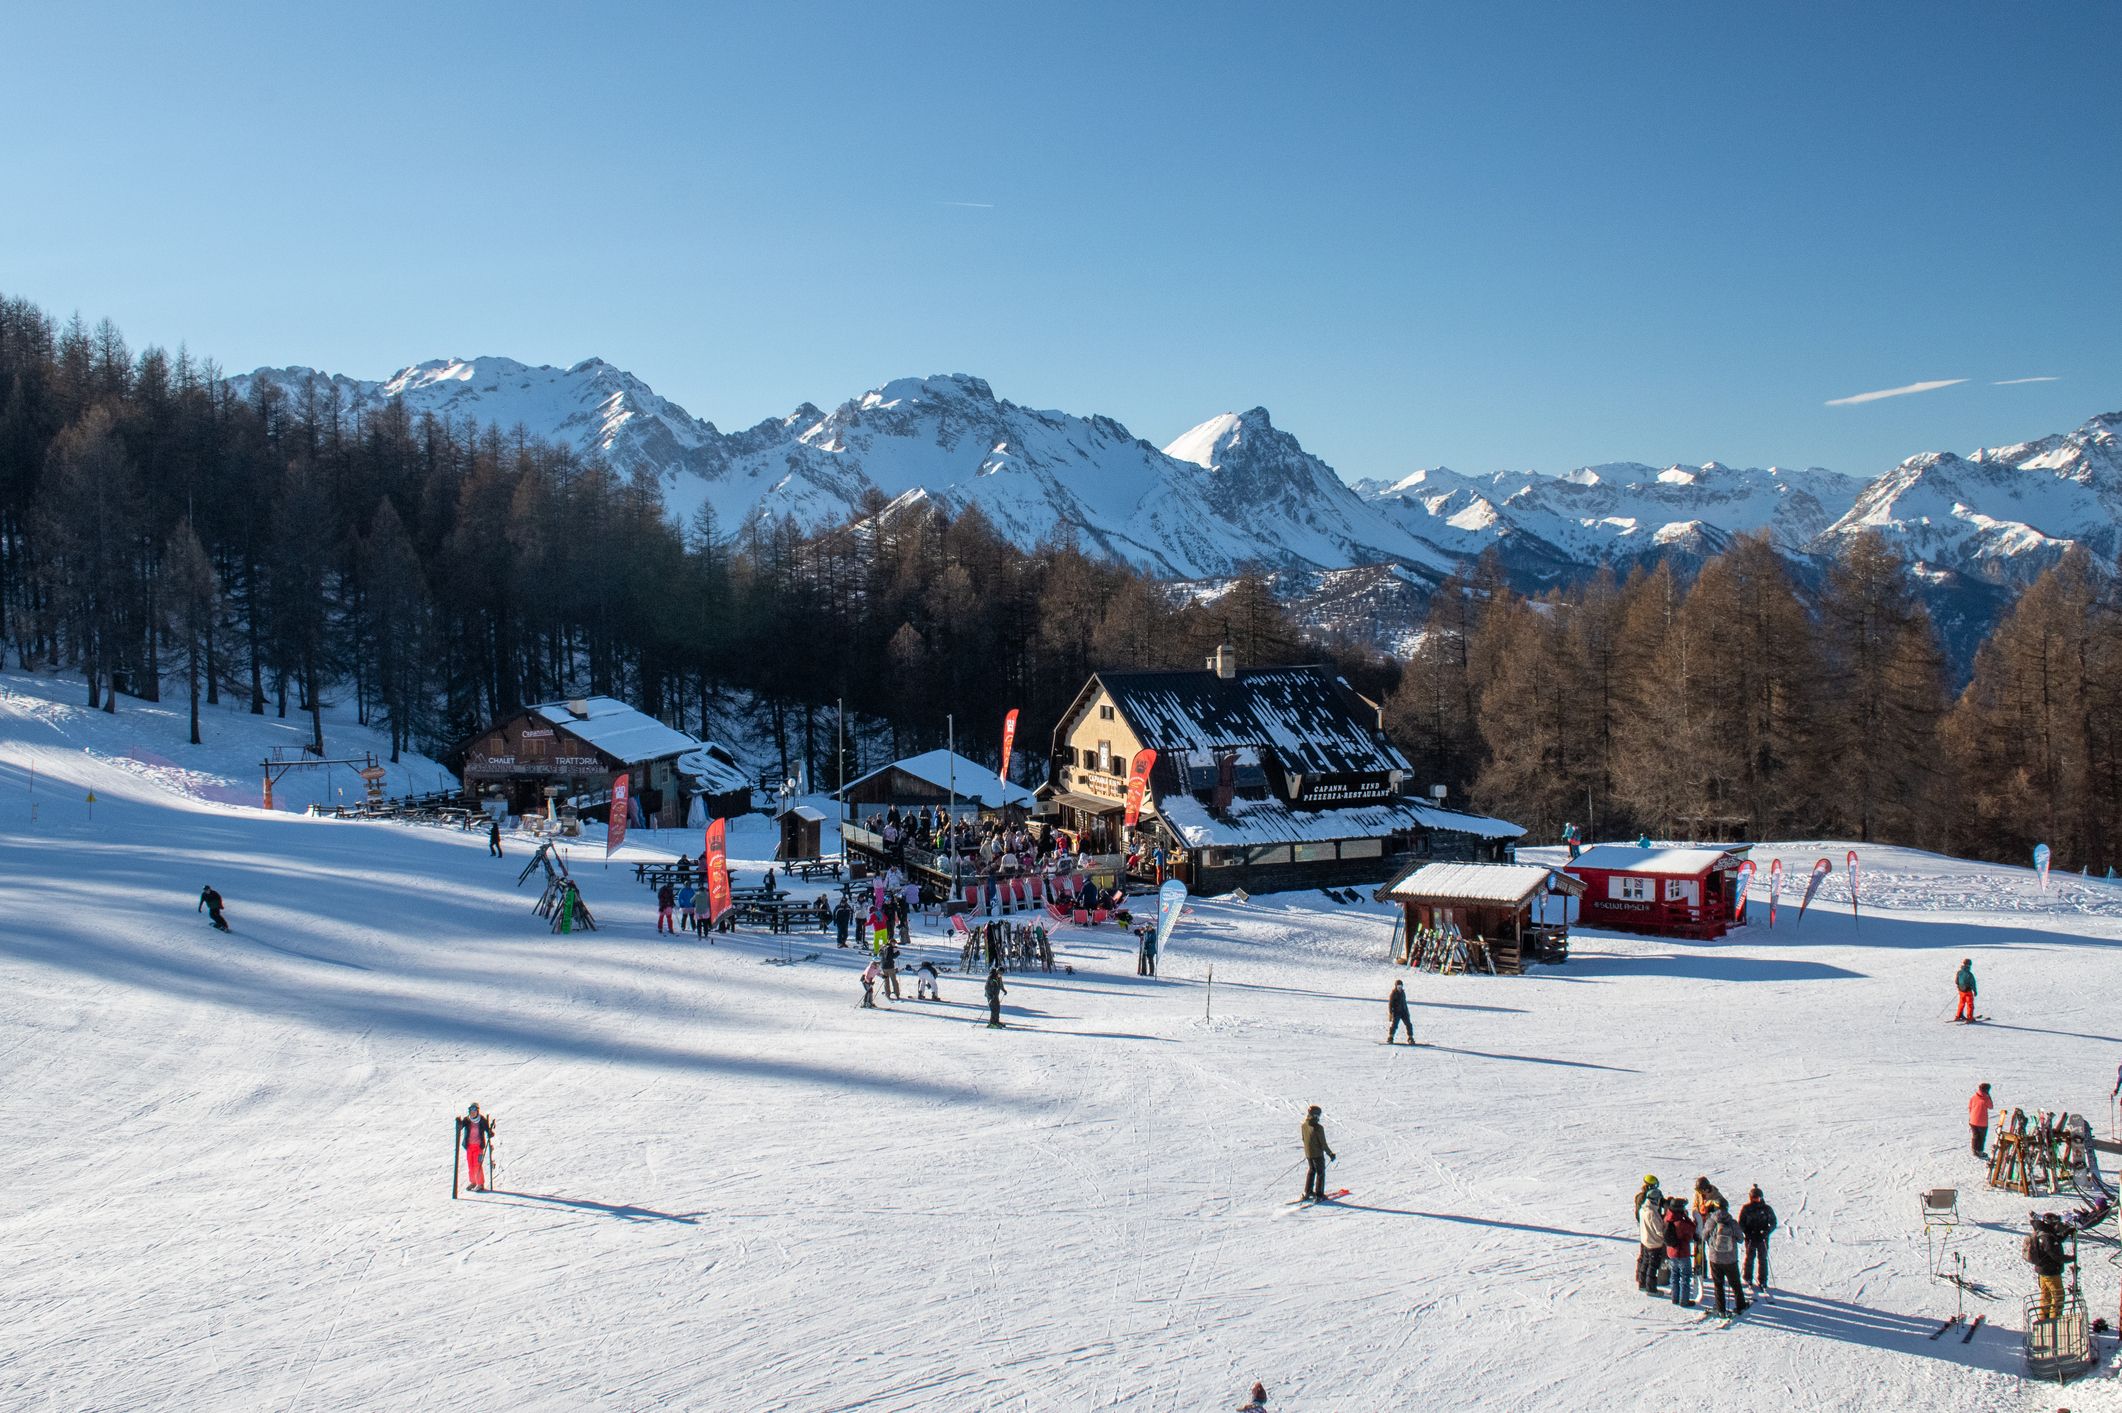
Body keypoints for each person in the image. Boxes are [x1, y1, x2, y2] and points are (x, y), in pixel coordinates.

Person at [1699, 1200, 1748, 1315]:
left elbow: (1704, 1236)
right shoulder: (1732, 1222)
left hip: (1715, 1258)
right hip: (1730, 1258)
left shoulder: (1711, 1222)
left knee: (1718, 1284)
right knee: (1735, 1283)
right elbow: (1741, 1239)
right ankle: (1740, 1305)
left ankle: (1720, 1309)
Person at [2028, 1212, 2067, 1320]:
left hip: (2043, 1271)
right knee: (2058, 1296)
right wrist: (2070, 1258)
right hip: (2051, 1271)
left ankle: (2043, 1317)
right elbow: (2054, 1254)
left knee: (2046, 1295)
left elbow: (2055, 1240)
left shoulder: (2042, 1232)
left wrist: (2066, 1233)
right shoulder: (2047, 1237)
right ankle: (2055, 1320)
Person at [1738, 1186, 1777, 1291]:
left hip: (1762, 1238)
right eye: (1754, 1198)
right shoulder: (1746, 1208)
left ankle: (1763, 1279)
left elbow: (1773, 1222)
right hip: (1750, 1237)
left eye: (1758, 1198)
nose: (1756, 1200)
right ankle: (1747, 1277)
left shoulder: (1766, 1209)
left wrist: (1766, 1232)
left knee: (1763, 1259)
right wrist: (1746, 1232)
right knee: (1749, 1257)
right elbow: (1741, 1222)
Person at [1663, 1198, 1697, 1307]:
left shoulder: (1667, 1218)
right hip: (1682, 1252)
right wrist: (1686, 1217)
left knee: (1674, 1275)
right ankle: (1684, 1300)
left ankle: (1675, 1298)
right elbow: (1692, 1229)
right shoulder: (1680, 1223)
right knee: (1685, 1277)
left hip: (1671, 1252)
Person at [1636, 1181, 1669, 1292]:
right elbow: (1659, 1230)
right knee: (1652, 1266)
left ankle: (1642, 1284)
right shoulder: (1652, 1213)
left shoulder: (1643, 1209)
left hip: (1645, 1240)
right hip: (1654, 1243)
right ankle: (1651, 1288)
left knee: (1645, 1263)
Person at [1299, 1105, 1336, 1202]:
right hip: (1317, 1155)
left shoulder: (1304, 1125)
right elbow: (1323, 1144)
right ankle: (1319, 1195)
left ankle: (1308, 1191)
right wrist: (1330, 1154)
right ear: (1315, 1115)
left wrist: (1309, 1150)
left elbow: (1304, 1139)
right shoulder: (1318, 1128)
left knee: (1311, 1171)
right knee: (1320, 1173)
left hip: (1308, 1154)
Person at [457, 1103, 495, 1193]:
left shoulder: (482, 1120)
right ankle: (473, 1182)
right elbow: (461, 1127)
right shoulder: (467, 1120)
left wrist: (490, 1133)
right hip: (469, 1146)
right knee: (470, 1165)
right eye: (471, 1111)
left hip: (478, 1147)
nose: (472, 1113)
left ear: (477, 1111)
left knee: (477, 1165)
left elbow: (488, 1130)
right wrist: (459, 1123)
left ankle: (480, 1183)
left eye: (474, 1111)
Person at [1691, 1177, 1724, 1276]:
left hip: (1711, 1225)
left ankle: (1717, 1272)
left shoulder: (1716, 1196)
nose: (1700, 1193)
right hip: (1700, 1223)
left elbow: (1721, 1210)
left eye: (1701, 1190)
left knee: (1714, 1249)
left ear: (1706, 1189)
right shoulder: (1698, 1194)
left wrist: (1709, 1211)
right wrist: (1697, 1214)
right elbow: (1695, 1206)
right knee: (1699, 1248)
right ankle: (1699, 1270)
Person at [1969, 1082, 1995, 1158]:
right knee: (1981, 1137)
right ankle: (1979, 1151)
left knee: (1975, 1136)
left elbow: (1970, 1107)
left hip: (1973, 1120)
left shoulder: (1974, 1096)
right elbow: (1991, 1106)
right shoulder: (1986, 1098)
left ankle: (1974, 1150)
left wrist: (1971, 1117)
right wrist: (1989, 1096)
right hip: (1982, 1122)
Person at [1387, 980, 1413, 1045]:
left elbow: (1404, 1003)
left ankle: (1410, 1038)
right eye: (1398, 986)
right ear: (1396, 986)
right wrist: (1390, 1013)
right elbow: (1390, 1004)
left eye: (1400, 986)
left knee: (1409, 1024)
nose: (1399, 987)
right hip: (1396, 1012)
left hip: (1404, 1012)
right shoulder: (1393, 993)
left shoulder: (1403, 993)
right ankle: (1390, 1037)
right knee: (1394, 1025)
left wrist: (1407, 1012)